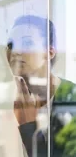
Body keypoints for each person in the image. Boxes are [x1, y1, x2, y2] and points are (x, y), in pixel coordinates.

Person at [8, 15, 76, 157]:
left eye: (26, 43)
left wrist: (28, 128)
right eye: (11, 45)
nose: (16, 51)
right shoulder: (13, 104)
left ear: (50, 52)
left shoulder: (71, 100)